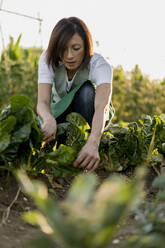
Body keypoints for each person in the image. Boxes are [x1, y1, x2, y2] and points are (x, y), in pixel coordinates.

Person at [37, 17, 114, 171]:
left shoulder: (99, 65)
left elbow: (101, 108)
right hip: (59, 111)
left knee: (86, 92)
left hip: (90, 114)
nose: (69, 56)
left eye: (76, 48)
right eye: (63, 49)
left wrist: (93, 142)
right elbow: (42, 102)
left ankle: (86, 145)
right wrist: (48, 119)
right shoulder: (48, 60)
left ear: (86, 46)